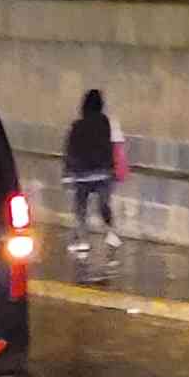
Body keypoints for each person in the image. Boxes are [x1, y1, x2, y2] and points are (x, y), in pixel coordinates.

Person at [63, 86, 120, 261]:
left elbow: (70, 150)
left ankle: (82, 240)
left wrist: (67, 172)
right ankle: (111, 232)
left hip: (81, 173)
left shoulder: (77, 126)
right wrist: (112, 169)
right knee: (104, 205)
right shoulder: (105, 123)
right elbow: (109, 147)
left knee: (80, 209)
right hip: (102, 172)